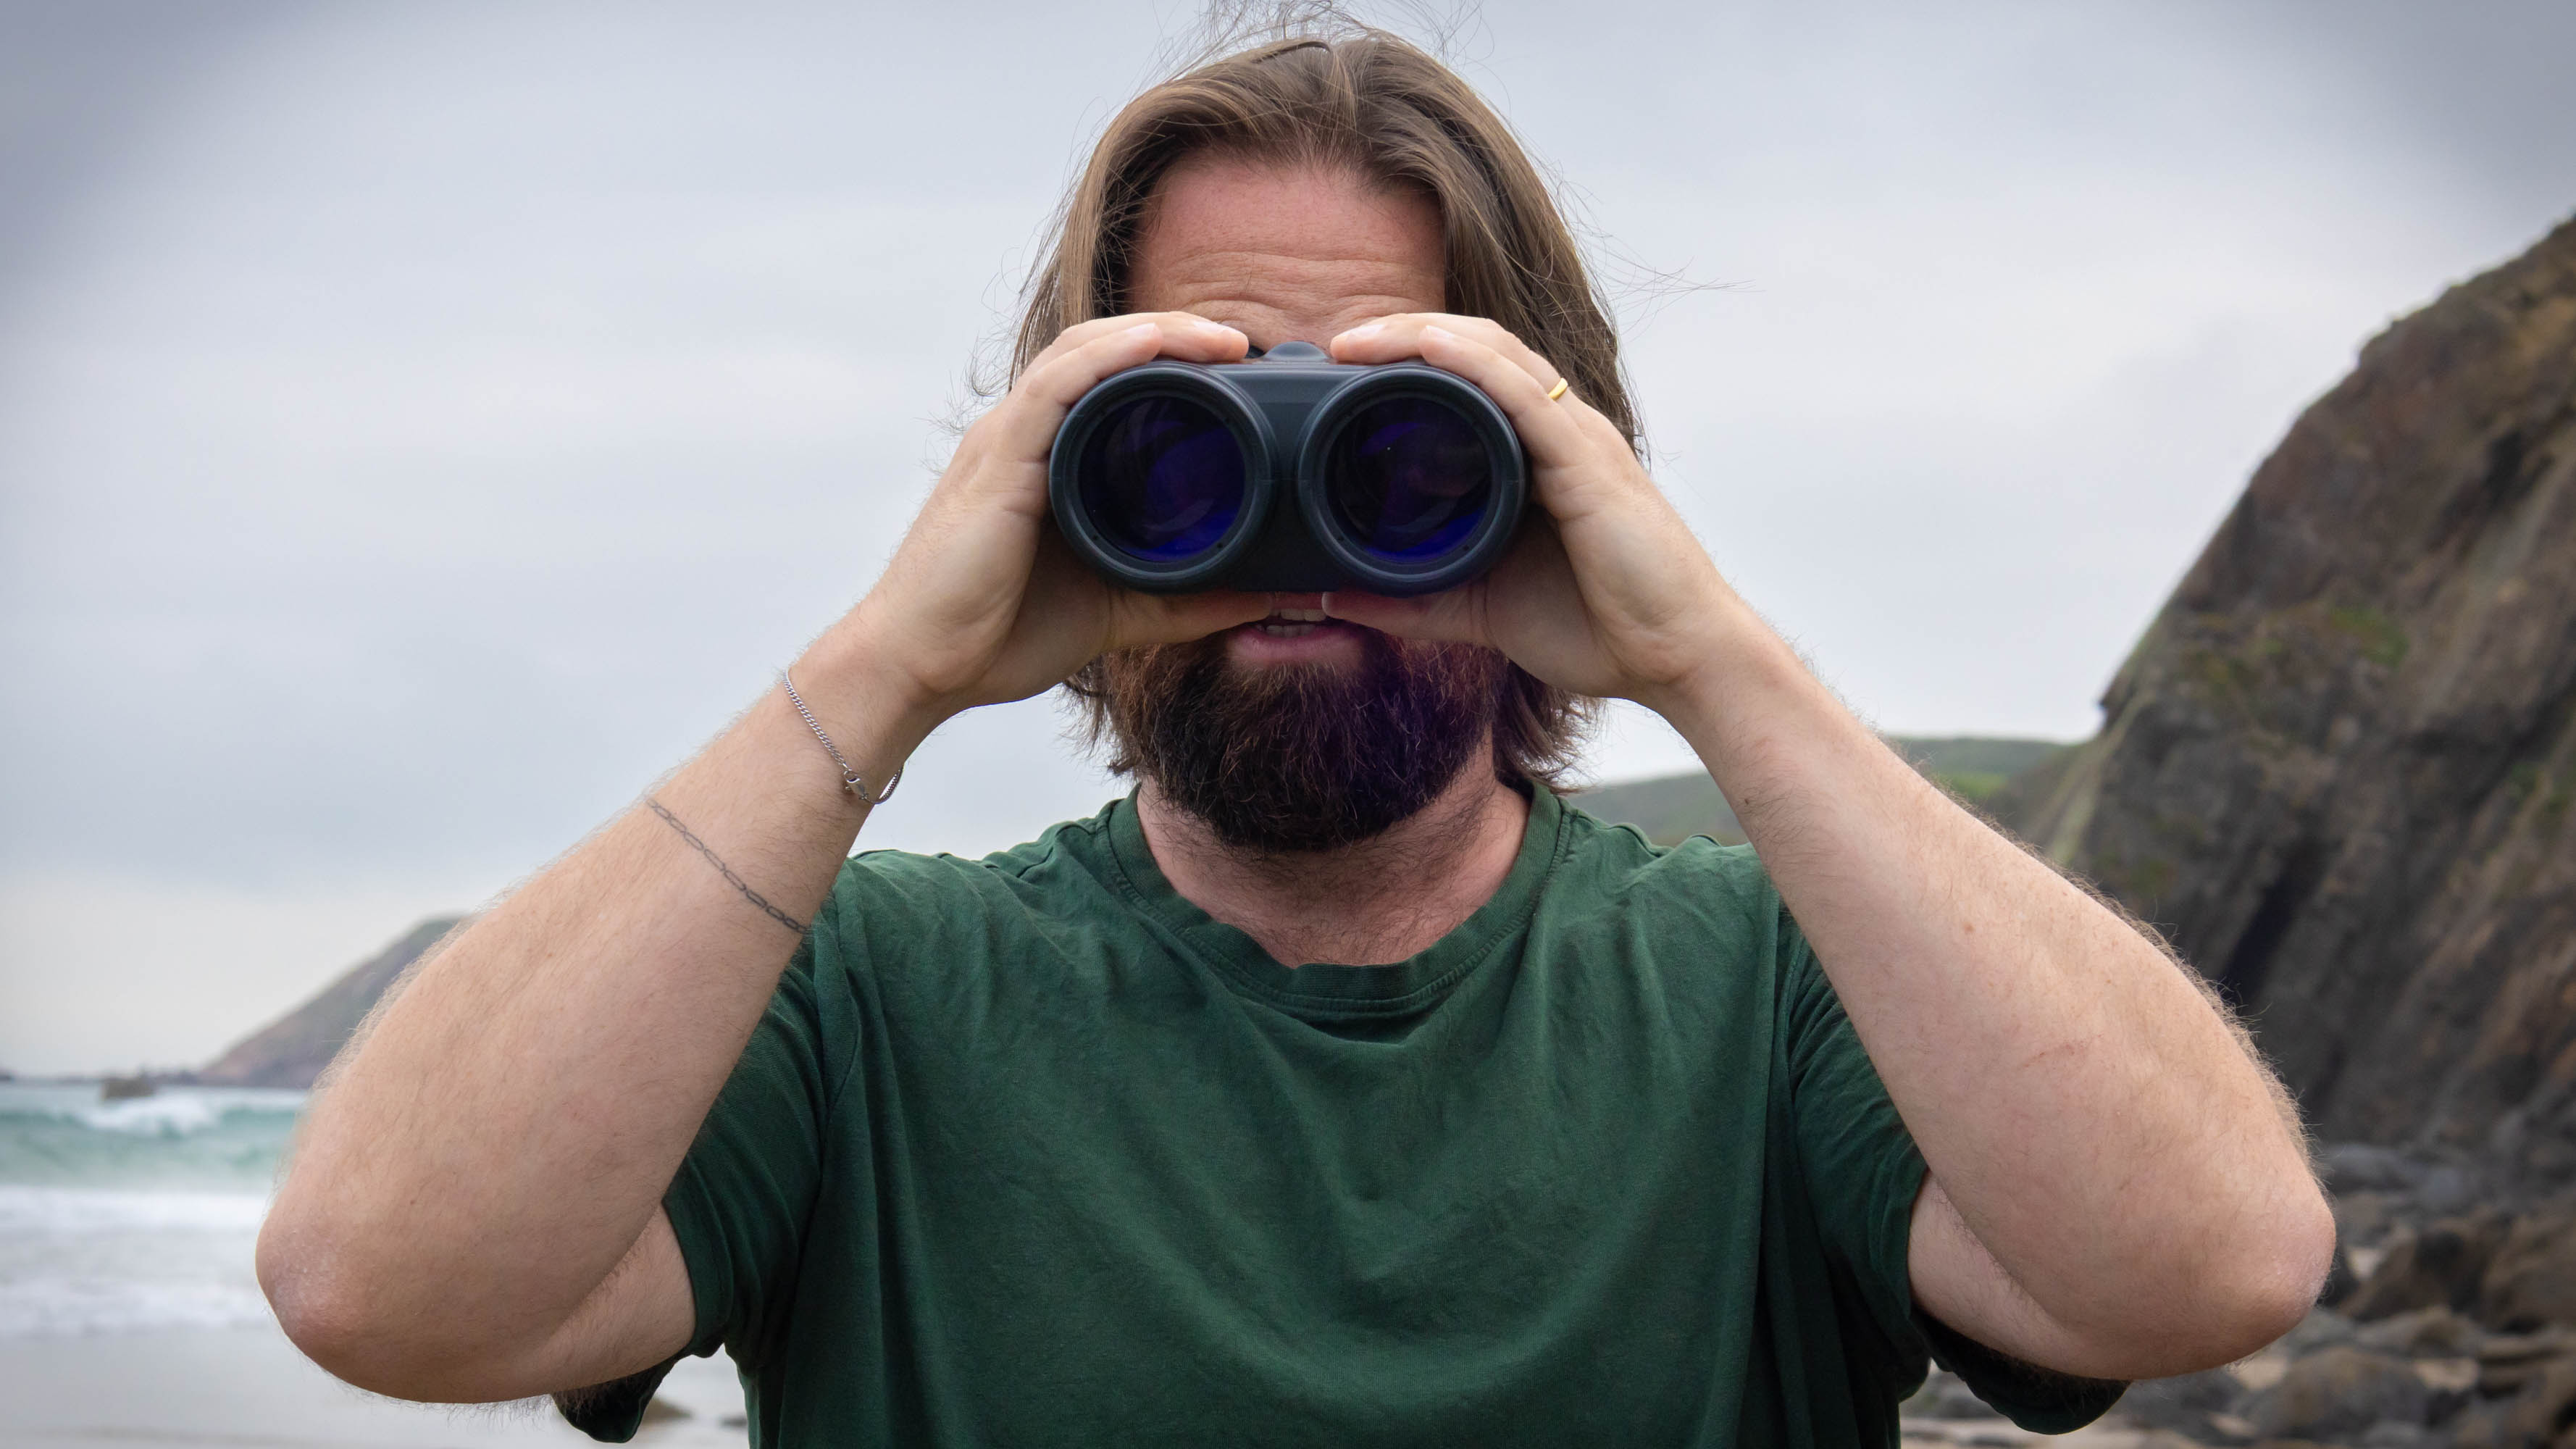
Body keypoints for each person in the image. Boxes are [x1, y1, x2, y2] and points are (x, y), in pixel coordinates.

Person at [256, 25, 2333, 1448]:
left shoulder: (1776, 986)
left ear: (1554, 458)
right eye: (1192, 436)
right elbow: (381, 1290)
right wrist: (887, 657)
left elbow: (2207, 1270)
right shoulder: (860, 996)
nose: (1297, 536)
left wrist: (1700, 650)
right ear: (1052, 457)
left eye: (1399, 441)